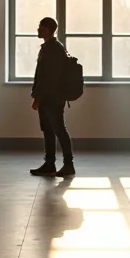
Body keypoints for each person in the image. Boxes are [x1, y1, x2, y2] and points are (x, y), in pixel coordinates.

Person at [30, 17, 75, 177]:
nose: (38, 29)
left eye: (41, 27)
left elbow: (48, 78)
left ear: (48, 29)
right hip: (50, 98)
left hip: (53, 99)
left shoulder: (54, 49)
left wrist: (37, 97)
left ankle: (68, 165)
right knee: (49, 130)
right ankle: (50, 164)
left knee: (59, 130)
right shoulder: (49, 47)